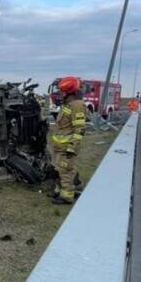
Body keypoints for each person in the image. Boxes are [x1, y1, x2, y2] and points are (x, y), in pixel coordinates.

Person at [50, 76, 88, 205]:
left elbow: (79, 129)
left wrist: (72, 146)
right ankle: (59, 191)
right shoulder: (68, 104)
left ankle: (67, 196)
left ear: (69, 92)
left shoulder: (77, 106)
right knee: (58, 170)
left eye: (62, 91)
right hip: (59, 146)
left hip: (67, 147)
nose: (60, 93)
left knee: (65, 171)